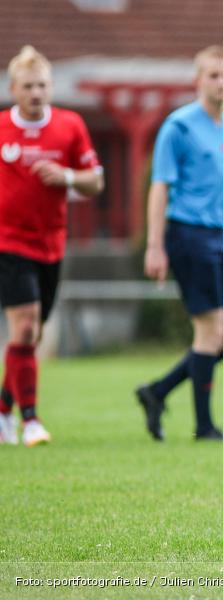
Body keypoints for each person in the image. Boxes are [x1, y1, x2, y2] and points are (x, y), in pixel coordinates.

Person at [136, 45, 223, 442]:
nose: (221, 82)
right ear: (198, 80)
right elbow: (159, 187)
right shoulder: (178, 126)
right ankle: (204, 427)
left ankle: (158, 391)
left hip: (218, 237)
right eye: (213, 75)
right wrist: (155, 245)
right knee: (210, 334)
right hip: (186, 234)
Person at [0, 46, 104, 446]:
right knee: (24, 326)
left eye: (43, 85)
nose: (37, 93)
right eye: (28, 86)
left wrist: (67, 176)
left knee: (32, 336)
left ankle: (3, 411)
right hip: (9, 243)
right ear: (13, 89)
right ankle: (31, 421)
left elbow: (96, 181)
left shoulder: (70, 125)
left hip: (52, 244)